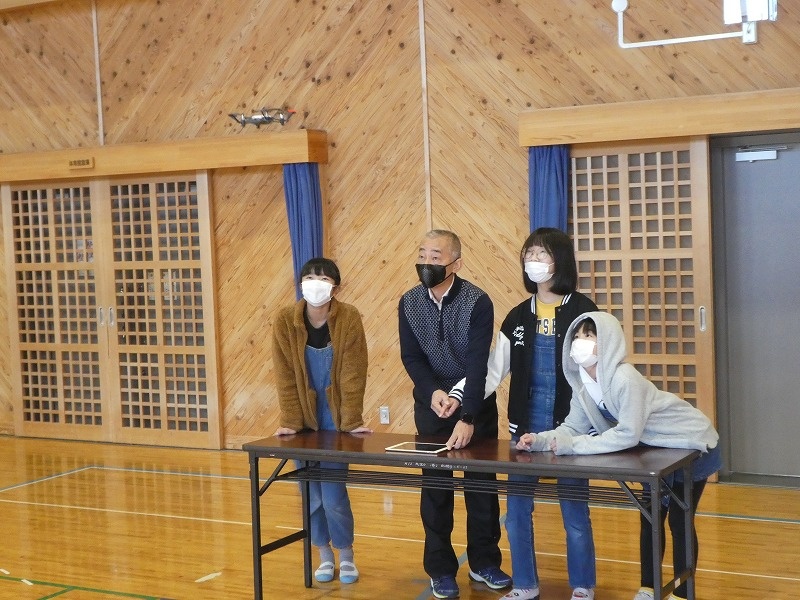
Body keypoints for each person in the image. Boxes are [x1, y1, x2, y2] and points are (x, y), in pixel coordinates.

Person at [517, 311, 722, 600]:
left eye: (589, 335)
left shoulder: (625, 378)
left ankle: (682, 593)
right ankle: (649, 588)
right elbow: (571, 428)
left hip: (692, 443)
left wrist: (573, 445)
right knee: (650, 518)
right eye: (577, 336)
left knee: (679, 520)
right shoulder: (583, 386)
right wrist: (539, 441)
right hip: (657, 453)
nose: (580, 341)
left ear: (608, 341)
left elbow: (627, 435)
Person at [450, 227, 598, 600]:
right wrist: (459, 397)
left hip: (571, 429)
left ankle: (582, 586)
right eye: (529, 253)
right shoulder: (517, 316)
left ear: (559, 261)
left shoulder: (584, 312)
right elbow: (491, 370)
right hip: (525, 428)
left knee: (575, 513)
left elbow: (600, 371)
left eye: (541, 254)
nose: (533, 260)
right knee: (516, 513)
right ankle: (526, 584)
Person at [399, 229, 511, 599]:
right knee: (436, 491)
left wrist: (468, 416)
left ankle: (484, 563)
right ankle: (441, 570)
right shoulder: (408, 302)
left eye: (435, 256)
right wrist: (432, 392)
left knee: (482, 489)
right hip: (431, 406)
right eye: (422, 255)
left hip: (475, 405)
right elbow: (412, 357)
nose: (426, 263)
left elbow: (479, 364)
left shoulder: (478, 301)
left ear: (455, 263)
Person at [272, 257, 370, 585]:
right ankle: (324, 553)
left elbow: (354, 371)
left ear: (336, 288)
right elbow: (285, 374)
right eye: (310, 277)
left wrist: (351, 420)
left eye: (324, 279)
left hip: (335, 419)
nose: (316, 283)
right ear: (301, 283)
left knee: (333, 495)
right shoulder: (285, 320)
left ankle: (346, 553)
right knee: (310, 495)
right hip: (303, 419)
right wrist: (290, 420)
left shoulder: (349, 317)